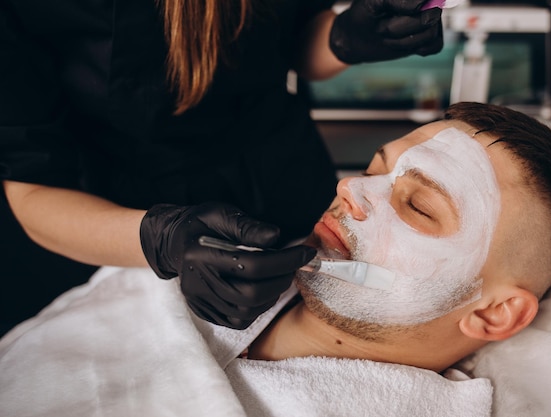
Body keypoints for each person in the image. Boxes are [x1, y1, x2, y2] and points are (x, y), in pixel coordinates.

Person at [0, 102, 551, 416]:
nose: (351, 191)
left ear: (494, 316)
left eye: (418, 206)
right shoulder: (203, 269)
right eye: (373, 168)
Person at [0, 0, 445, 330]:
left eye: (422, 206)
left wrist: (342, 38)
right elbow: (32, 185)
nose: (353, 188)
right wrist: (162, 241)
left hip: (284, 180)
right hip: (106, 225)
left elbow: (292, 43)